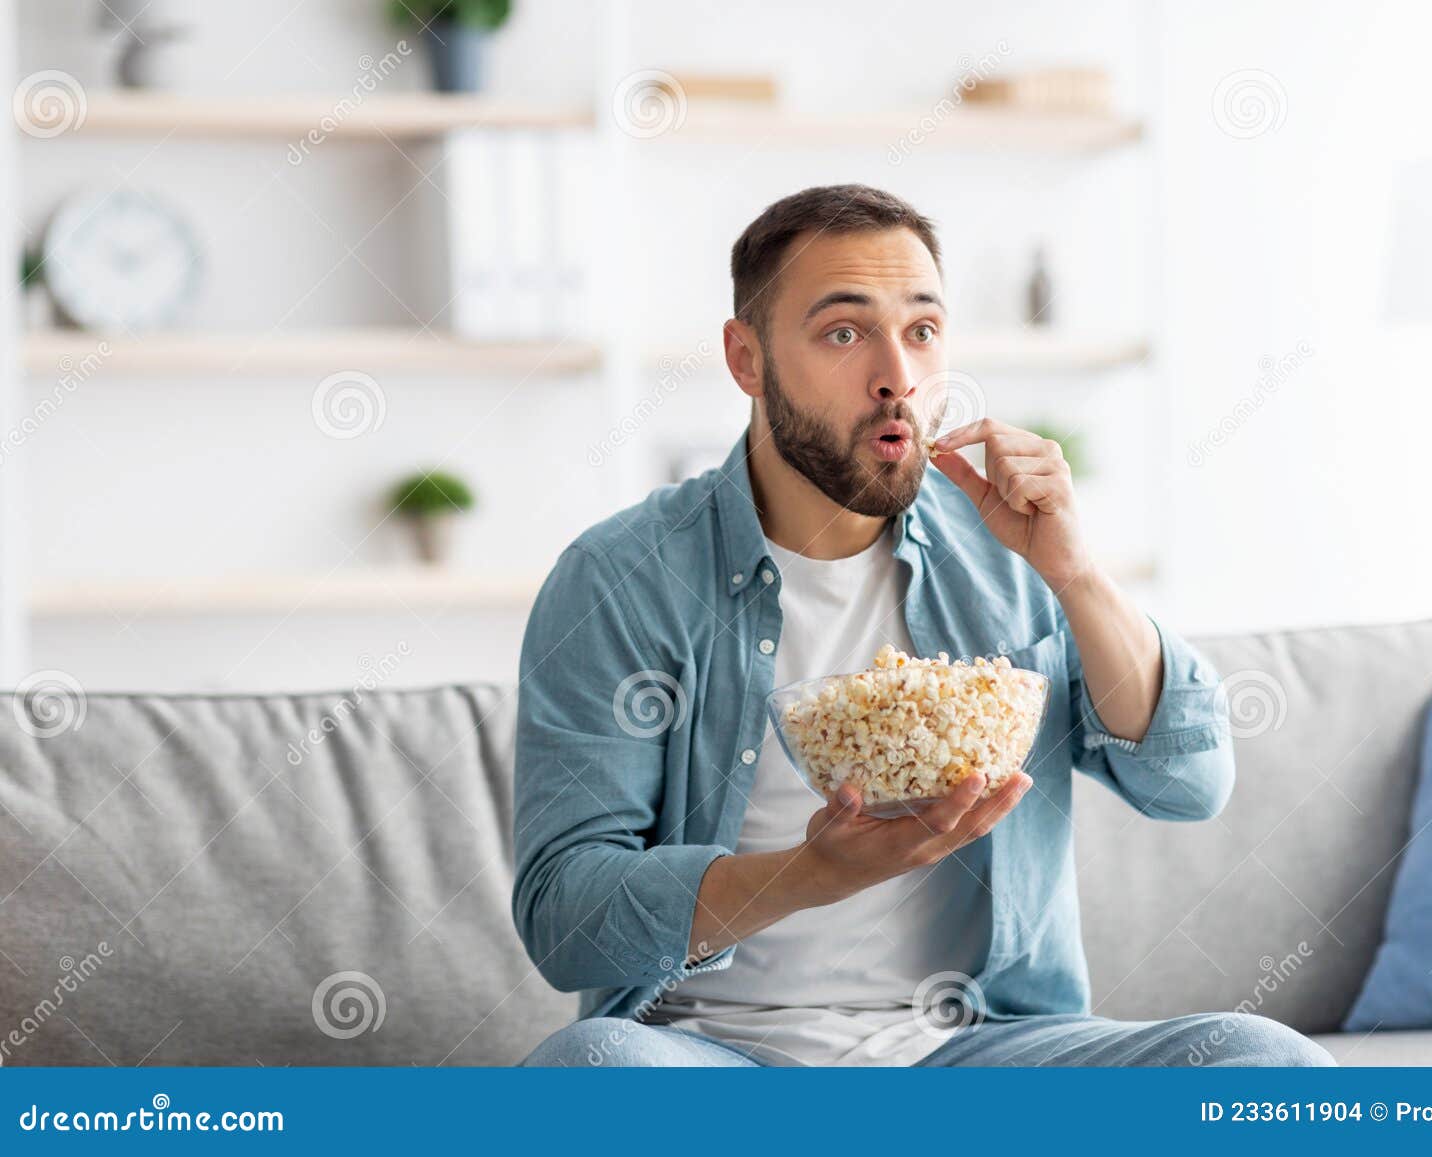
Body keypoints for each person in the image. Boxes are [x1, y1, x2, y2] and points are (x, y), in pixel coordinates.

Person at [513, 184, 1334, 1068]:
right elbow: (567, 920)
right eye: (843, 332)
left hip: (981, 1057)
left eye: (923, 332)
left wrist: (1075, 573)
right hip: (710, 1058)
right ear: (746, 360)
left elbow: (1190, 781)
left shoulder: (1007, 552)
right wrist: (806, 876)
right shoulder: (622, 578)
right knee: (595, 1072)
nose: (898, 378)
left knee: (1267, 1064)